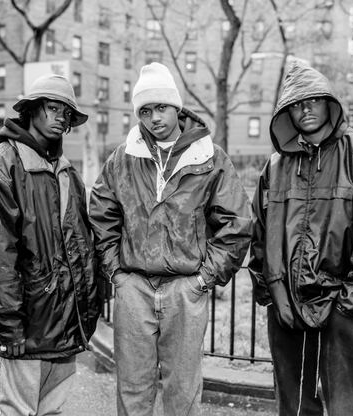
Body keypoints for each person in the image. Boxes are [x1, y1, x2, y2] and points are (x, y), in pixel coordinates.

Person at [89, 62, 252, 416]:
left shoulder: (210, 158)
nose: (153, 118)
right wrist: (117, 273)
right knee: (132, 389)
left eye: (160, 107)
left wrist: (204, 278)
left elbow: (237, 223)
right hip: (134, 288)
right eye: (145, 111)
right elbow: (101, 216)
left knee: (183, 389)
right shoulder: (123, 159)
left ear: (176, 107)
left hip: (185, 289)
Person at [0, 74, 103, 415]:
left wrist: (84, 313)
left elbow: (81, 247)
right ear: (31, 110)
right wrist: (7, 327)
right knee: (14, 410)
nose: (60, 118)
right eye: (52, 108)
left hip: (64, 327)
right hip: (24, 329)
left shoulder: (67, 172)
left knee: (51, 411)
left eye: (66, 113)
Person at [248, 60, 353, 416]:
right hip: (286, 304)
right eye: (296, 104)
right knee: (294, 404)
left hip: (342, 302)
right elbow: (259, 232)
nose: (305, 110)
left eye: (313, 101)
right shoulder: (275, 166)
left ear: (329, 103)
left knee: (349, 403)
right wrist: (271, 292)